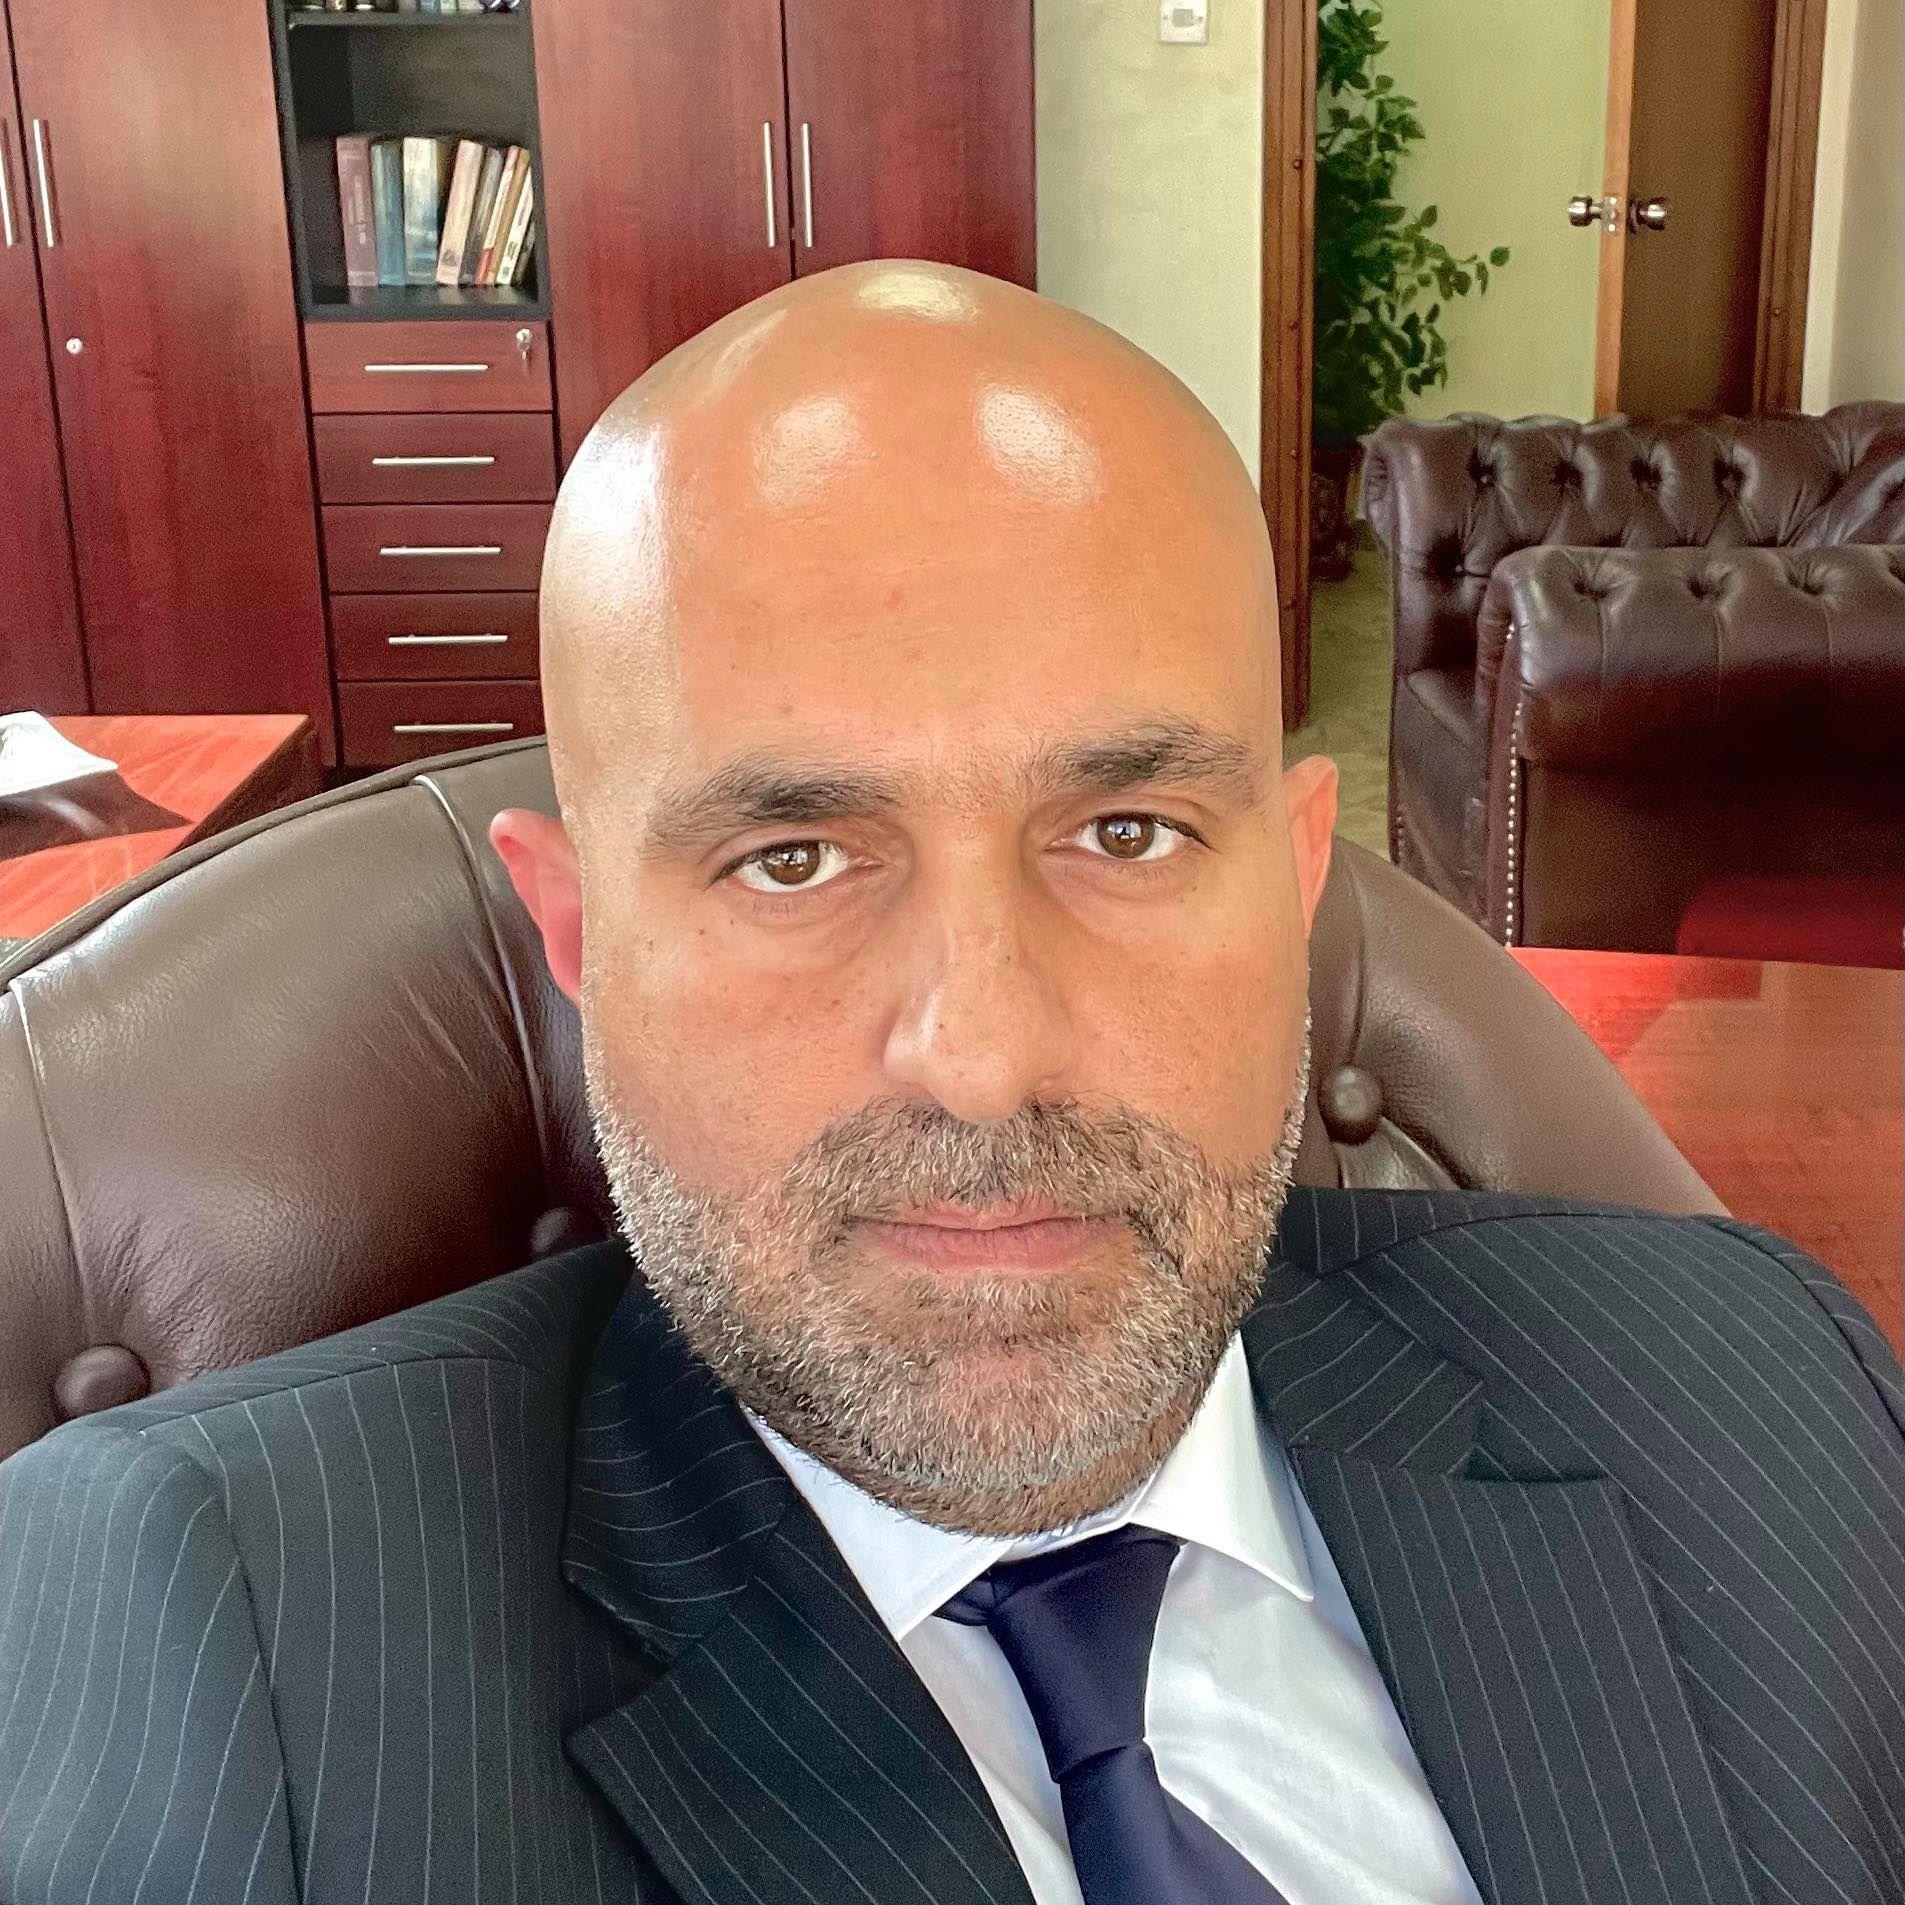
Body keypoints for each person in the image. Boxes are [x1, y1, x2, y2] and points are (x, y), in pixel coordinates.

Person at [1, 262, 1900, 1905]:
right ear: (577, 936)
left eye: (1128, 832)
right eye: (792, 861)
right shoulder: (214, 1630)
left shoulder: (1748, 1376)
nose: (985, 1061)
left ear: (1296, 874)